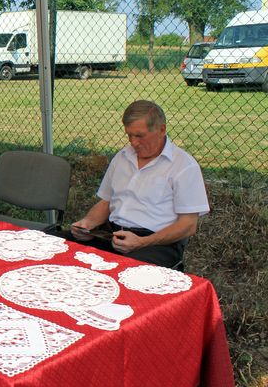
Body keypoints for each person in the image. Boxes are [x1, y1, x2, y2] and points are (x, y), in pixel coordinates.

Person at [69, 100, 209, 268]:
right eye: (129, 135)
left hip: (156, 243)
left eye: (139, 136)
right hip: (112, 234)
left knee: (124, 271)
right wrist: (87, 224)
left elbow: (188, 225)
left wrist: (142, 242)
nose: (133, 142)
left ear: (161, 130)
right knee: (59, 246)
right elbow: (107, 201)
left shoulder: (184, 166)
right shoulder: (122, 157)